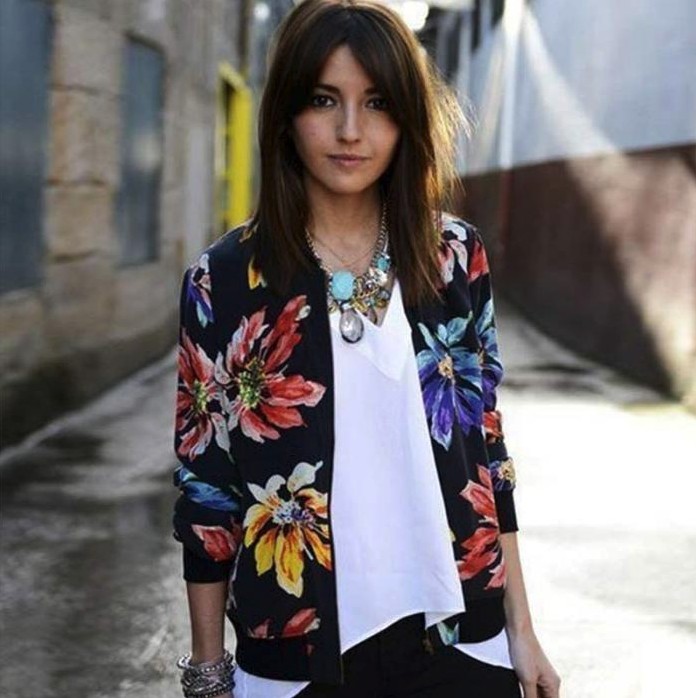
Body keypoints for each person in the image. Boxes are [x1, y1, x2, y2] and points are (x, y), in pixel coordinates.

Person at [171, 1, 560, 697]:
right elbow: (206, 488)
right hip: (297, 660)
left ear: (406, 117)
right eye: (324, 100)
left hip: (461, 640)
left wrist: (521, 630)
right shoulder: (225, 280)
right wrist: (208, 674)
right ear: (286, 114)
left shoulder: (453, 257)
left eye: (377, 103)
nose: (351, 130)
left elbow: (487, 451)